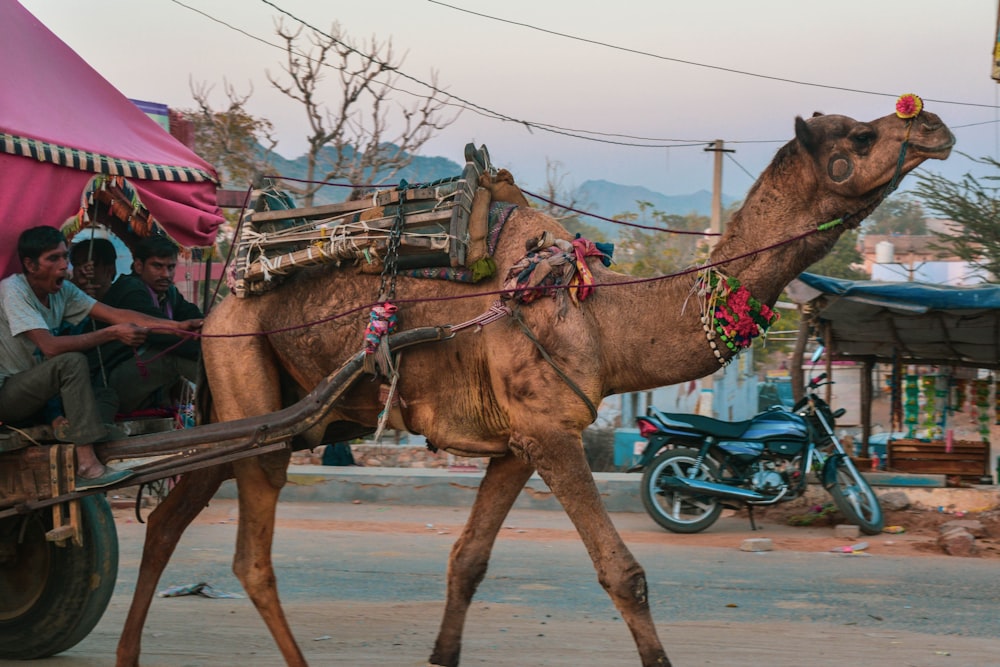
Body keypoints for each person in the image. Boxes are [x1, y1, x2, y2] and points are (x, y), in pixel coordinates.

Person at [0, 226, 202, 489]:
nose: (63, 266)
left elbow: (119, 315)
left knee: (104, 393)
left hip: (43, 396)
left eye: (65, 257)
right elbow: (49, 347)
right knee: (72, 362)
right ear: (30, 264)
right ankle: (86, 463)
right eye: (53, 259)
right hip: (8, 395)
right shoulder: (13, 290)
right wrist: (111, 334)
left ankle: (103, 441)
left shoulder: (64, 292)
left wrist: (178, 326)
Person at [95, 234, 203, 416]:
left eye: (170, 267)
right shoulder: (130, 289)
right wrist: (210, 349)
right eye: (157, 266)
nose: (166, 275)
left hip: (142, 380)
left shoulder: (170, 293)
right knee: (172, 355)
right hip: (109, 382)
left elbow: (193, 315)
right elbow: (163, 336)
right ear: (138, 266)